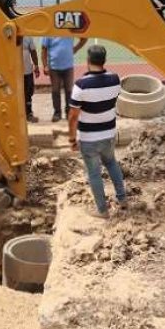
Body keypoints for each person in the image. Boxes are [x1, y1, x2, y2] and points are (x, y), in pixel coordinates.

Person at [68, 45, 128, 219]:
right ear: (104, 61)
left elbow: (73, 116)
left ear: (87, 61)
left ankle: (102, 210)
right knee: (111, 163)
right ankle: (122, 199)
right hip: (109, 134)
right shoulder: (115, 79)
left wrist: (72, 138)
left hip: (89, 139)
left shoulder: (81, 85)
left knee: (94, 173)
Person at [41, 36, 87, 123]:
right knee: (55, 90)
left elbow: (84, 38)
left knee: (69, 91)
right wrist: (45, 65)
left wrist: (75, 49)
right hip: (54, 67)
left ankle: (68, 112)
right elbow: (44, 49)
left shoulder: (69, 27)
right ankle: (57, 113)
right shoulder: (49, 32)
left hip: (68, 67)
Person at [22, 36, 40, 123]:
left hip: (27, 71)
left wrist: (36, 66)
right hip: (13, 73)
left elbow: (33, 51)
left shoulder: (28, 36)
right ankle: (18, 115)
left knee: (28, 93)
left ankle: (29, 114)